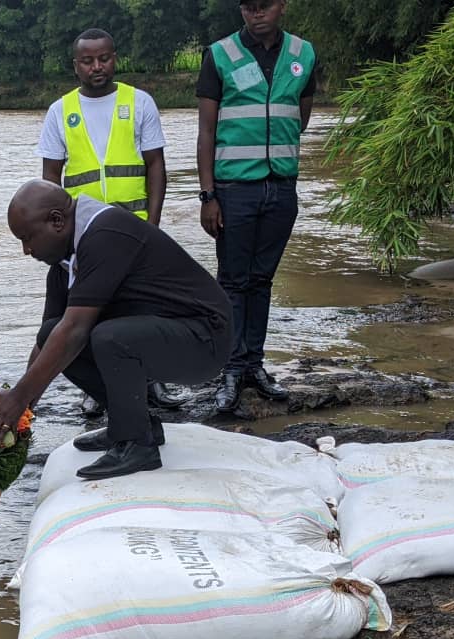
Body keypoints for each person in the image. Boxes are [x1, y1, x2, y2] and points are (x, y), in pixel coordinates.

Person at [0, 180, 232, 480]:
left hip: (205, 339)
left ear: (57, 221)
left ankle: (137, 446)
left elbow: (75, 330)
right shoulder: (64, 264)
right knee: (51, 334)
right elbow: (49, 343)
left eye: (27, 238)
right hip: (166, 336)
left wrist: (20, 397)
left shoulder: (105, 234)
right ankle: (133, 427)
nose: (26, 250)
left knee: (107, 338)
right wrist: (19, 410)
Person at [37, 27, 185, 415]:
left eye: (103, 58)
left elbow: (156, 165)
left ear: (114, 58)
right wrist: (61, 238)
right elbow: (50, 179)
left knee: (144, 309)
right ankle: (97, 387)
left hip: (135, 229)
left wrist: (153, 225)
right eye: (87, 61)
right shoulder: (60, 111)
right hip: (85, 236)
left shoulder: (140, 103)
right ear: (76, 65)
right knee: (92, 311)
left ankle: (154, 380)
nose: (97, 66)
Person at [196, 0, 316, 413]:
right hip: (234, 189)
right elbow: (206, 131)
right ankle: (230, 368)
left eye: (264, 5)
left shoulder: (304, 53)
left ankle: (255, 366)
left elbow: (300, 118)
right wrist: (208, 195)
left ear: (282, 6)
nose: (255, 13)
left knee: (262, 280)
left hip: (281, 188)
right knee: (232, 281)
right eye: (248, 7)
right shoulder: (219, 54)